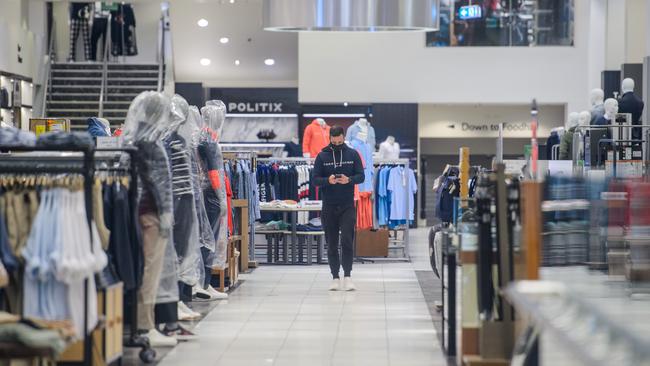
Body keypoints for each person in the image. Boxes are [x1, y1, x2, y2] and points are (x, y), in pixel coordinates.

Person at [312, 126, 365, 291]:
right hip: (328, 205)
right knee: (332, 243)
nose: (337, 144)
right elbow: (314, 180)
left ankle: (348, 276)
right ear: (330, 138)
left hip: (348, 205)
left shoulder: (353, 154)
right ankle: (335, 276)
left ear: (343, 138)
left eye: (340, 141)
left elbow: (361, 176)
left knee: (347, 241)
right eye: (334, 142)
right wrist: (328, 180)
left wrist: (349, 179)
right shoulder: (322, 156)